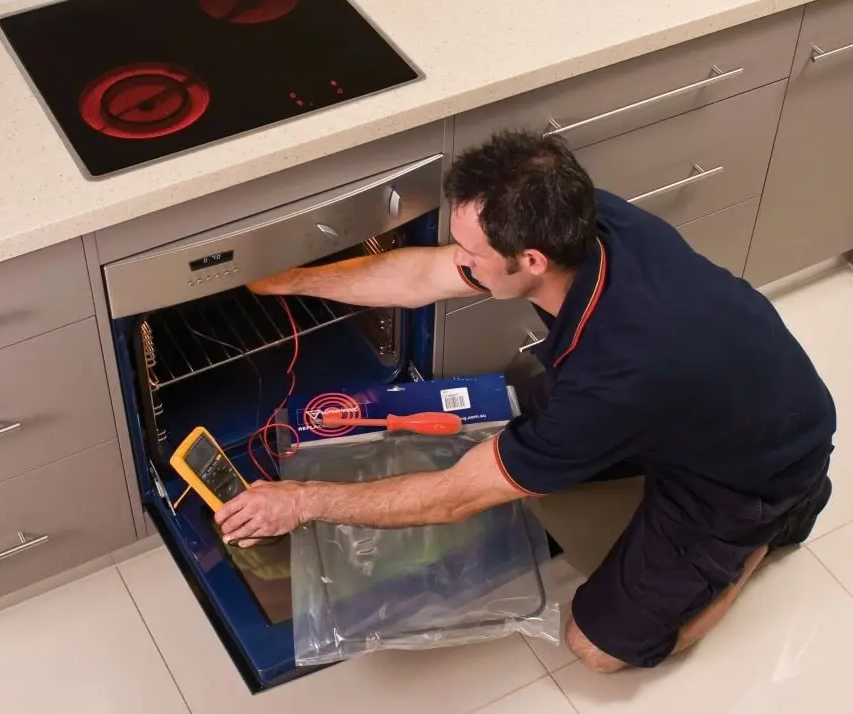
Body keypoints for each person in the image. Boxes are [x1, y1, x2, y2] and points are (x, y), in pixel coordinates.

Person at [214, 129, 836, 673]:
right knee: (525, 429)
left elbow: (454, 498)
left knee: (597, 648)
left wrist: (303, 500)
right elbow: (421, 276)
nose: (459, 263)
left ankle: (768, 528)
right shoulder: (583, 221)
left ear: (531, 260)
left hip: (753, 468)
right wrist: (289, 281)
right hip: (716, 392)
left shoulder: (612, 378)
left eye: (471, 255)